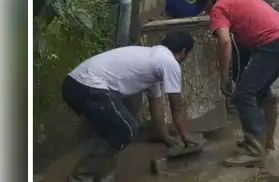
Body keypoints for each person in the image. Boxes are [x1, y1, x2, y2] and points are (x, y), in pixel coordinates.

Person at [62, 32, 200, 180]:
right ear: (184, 52)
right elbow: (177, 107)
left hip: (73, 84)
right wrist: (186, 136)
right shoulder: (169, 62)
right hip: (88, 85)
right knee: (126, 129)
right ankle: (79, 178)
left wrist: (165, 136)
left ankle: (102, 177)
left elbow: (156, 105)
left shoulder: (152, 60)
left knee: (112, 132)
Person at [196, 0, 279, 166]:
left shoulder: (218, 8)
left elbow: (225, 42)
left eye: (204, 7)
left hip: (273, 43)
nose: (206, 12)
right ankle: (266, 141)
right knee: (261, 91)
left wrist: (224, 78)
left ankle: (254, 151)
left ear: (209, 1)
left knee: (243, 95)